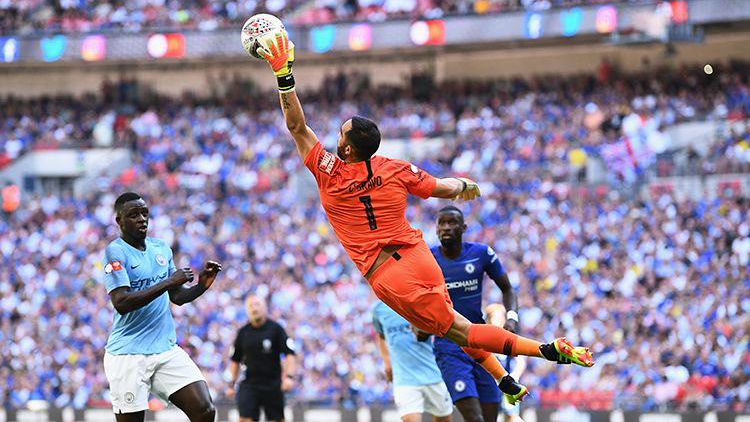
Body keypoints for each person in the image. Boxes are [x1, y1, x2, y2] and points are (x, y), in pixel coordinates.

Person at [255, 30, 594, 400]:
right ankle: (504, 380)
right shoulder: (394, 167)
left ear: (347, 148)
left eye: (339, 134)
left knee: (460, 331)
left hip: (389, 274)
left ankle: (545, 349)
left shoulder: (329, 172)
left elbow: (297, 127)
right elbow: (444, 188)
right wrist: (465, 185)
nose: (335, 136)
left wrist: (283, 75)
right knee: (455, 325)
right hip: (418, 256)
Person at [101, 192, 222, 422]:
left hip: (165, 349)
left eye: (144, 213)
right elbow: (121, 302)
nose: (142, 219)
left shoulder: (161, 249)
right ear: (119, 221)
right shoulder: (115, 252)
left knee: (204, 410)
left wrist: (201, 286)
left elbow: (176, 297)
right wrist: (168, 281)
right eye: (134, 215)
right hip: (128, 355)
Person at [431, 205, 523, 422]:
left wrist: (511, 317)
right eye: (441, 223)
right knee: (475, 418)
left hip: (479, 342)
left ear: (463, 227)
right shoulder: (428, 258)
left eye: (451, 222)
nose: (446, 227)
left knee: (491, 418)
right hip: (449, 345)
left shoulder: (481, 254)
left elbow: (508, 289)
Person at [372, 300, 454, 422]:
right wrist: (387, 363)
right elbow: (381, 335)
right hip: (404, 378)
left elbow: (442, 326)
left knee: (444, 418)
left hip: (432, 373)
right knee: (410, 419)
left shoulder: (418, 302)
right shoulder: (379, 309)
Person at [227, 293, 297, 422]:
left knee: (278, 419)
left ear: (264, 307)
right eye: (251, 306)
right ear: (247, 310)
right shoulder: (243, 333)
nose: (254, 308)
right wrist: (231, 385)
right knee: (245, 419)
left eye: (257, 304)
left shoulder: (276, 329)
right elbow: (235, 360)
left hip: (273, 384)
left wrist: (289, 377)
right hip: (250, 384)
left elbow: (289, 354)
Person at [486, 304, 526, 422]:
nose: (496, 321)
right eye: (493, 318)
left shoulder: (508, 339)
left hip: (507, 385)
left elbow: (520, 361)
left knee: (511, 417)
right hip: (489, 386)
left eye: (499, 318)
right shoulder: (483, 341)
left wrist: (515, 376)